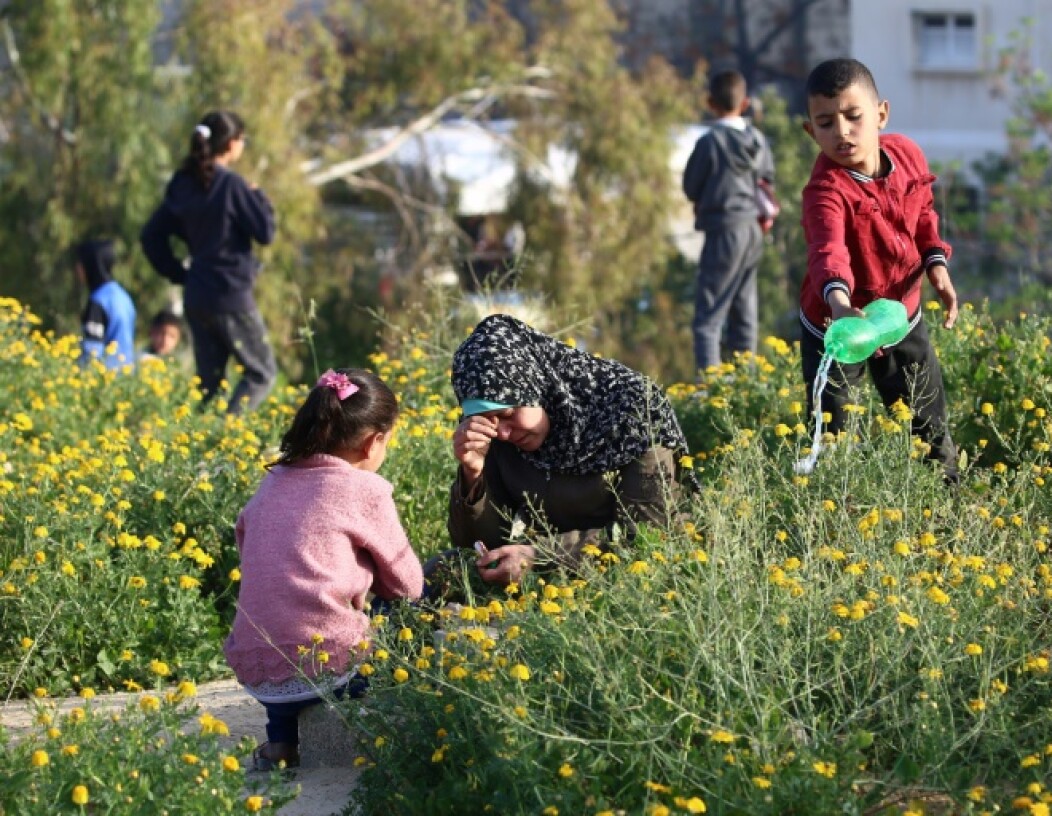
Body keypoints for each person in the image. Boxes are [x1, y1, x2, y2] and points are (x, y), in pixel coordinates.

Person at [223, 368, 424, 770]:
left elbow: (250, 548)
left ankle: (280, 743)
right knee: (406, 617)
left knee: (283, 623)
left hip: (258, 677)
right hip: (334, 675)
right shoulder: (366, 489)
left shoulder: (273, 481)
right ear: (373, 442)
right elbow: (408, 585)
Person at [798, 58, 960, 481]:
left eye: (853, 117)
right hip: (837, 325)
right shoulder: (824, 192)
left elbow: (924, 212)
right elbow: (827, 251)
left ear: (881, 114)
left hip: (900, 315)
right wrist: (841, 304)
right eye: (826, 123)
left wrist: (935, 263)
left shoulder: (907, 155)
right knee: (832, 437)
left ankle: (947, 513)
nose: (842, 132)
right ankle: (828, 521)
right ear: (810, 131)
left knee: (928, 426)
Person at [448, 314, 691, 586]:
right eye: (488, 421)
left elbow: (649, 538)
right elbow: (477, 545)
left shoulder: (631, 410)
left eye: (508, 414)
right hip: (542, 577)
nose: (503, 433)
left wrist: (541, 556)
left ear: (537, 387)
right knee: (443, 570)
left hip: (628, 580)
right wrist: (473, 474)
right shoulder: (495, 437)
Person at [140, 110, 277, 413]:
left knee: (210, 386)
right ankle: (228, 436)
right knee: (261, 373)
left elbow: (151, 236)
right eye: (243, 140)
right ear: (231, 144)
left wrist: (180, 274)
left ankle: (204, 447)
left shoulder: (183, 185)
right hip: (230, 296)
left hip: (197, 295)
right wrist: (259, 197)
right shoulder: (232, 186)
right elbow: (265, 232)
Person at [683, 68, 776, 375]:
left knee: (708, 320)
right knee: (744, 315)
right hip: (753, 230)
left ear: (710, 102)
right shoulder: (758, 141)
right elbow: (767, 180)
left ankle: (710, 391)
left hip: (724, 229)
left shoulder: (710, 143)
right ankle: (744, 386)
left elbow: (690, 187)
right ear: (746, 103)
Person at [74, 239, 137, 370]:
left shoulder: (98, 301)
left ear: (92, 265)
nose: (77, 268)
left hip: (104, 381)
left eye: (81, 263)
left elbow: (92, 352)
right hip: (125, 377)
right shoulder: (124, 297)